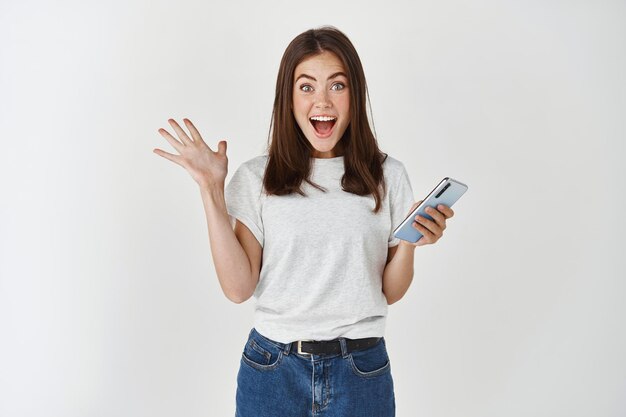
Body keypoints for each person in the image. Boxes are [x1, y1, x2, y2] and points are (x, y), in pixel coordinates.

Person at [154, 26, 454, 417]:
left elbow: (390, 292)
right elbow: (238, 288)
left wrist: (411, 240)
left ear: (355, 95)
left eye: (338, 85)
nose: (322, 101)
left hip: (362, 370)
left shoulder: (387, 175)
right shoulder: (257, 177)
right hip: (273, 371)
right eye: (307, 87)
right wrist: (211, 189)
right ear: (289, 98)